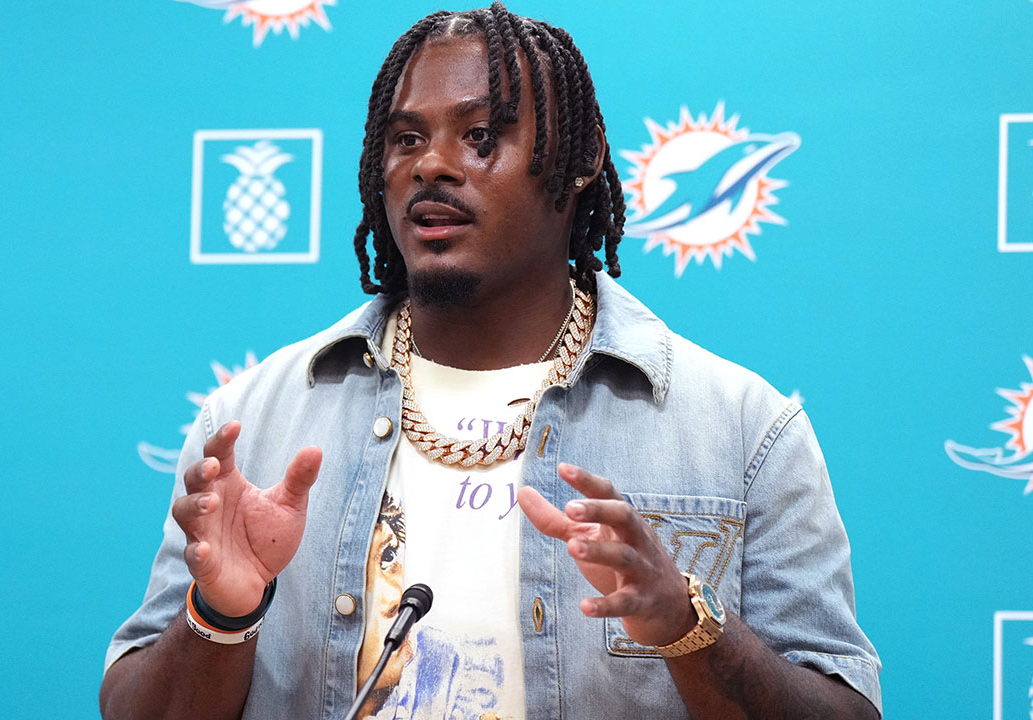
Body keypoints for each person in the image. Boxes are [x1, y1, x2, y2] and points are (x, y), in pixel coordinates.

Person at [99, 4, 882, 719]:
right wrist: (223, 615)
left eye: (481, 136)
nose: (431, 166)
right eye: (407, 138)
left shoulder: (741, 431)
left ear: (579, 163)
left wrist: (687, 625)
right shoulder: (255, 420)